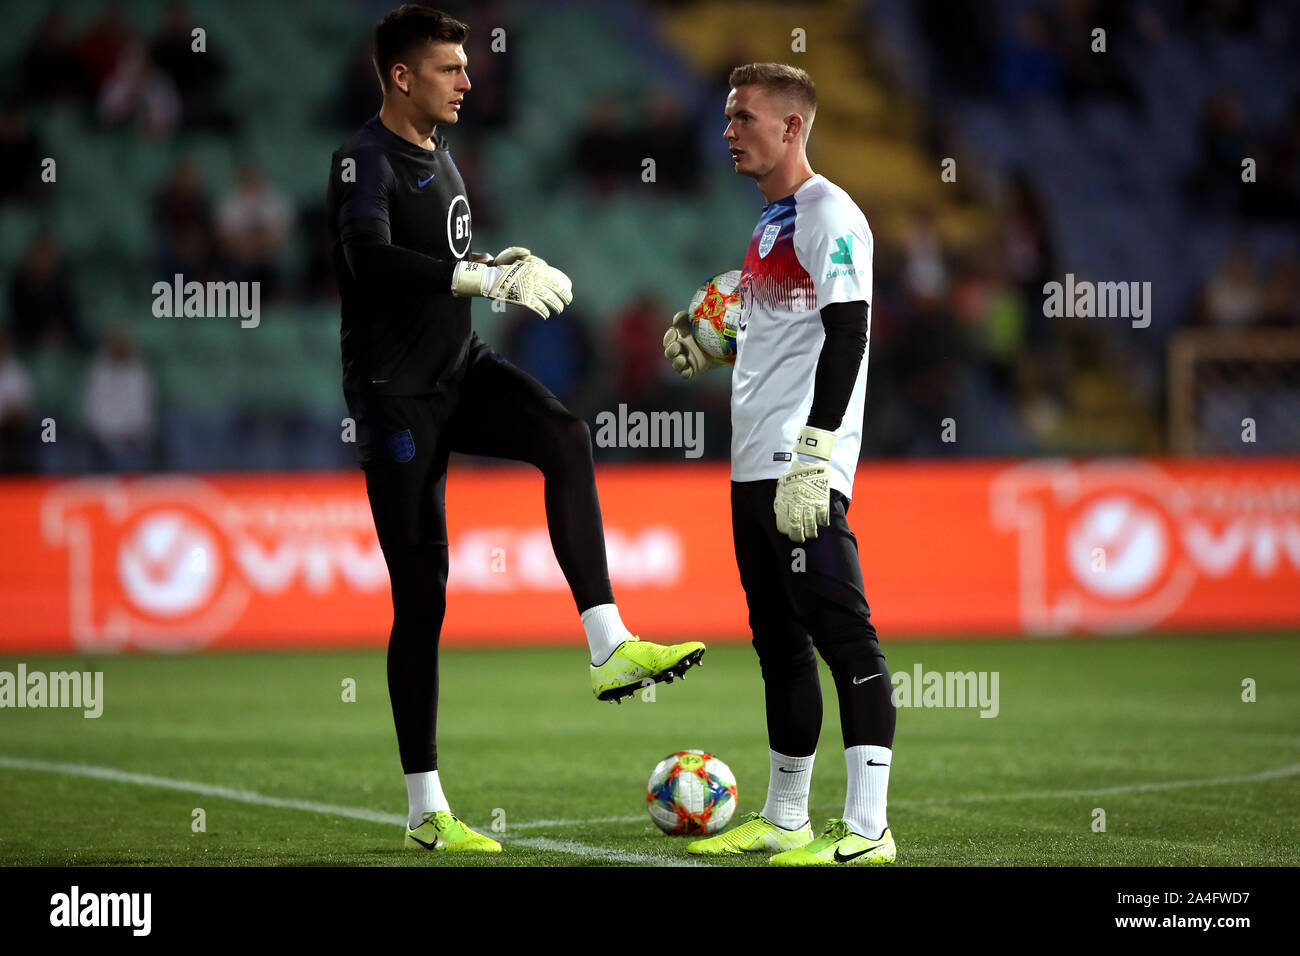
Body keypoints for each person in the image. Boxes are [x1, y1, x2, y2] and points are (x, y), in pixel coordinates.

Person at [327, 4, 705, 855]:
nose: (469, 78)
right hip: (395, 398)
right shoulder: (363, 160)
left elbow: (442, 272)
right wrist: (473, 276)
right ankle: (426, 806)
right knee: (422, 598)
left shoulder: (443, 156)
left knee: (567, 436)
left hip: (459, 372)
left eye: (467, 66)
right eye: (449, 68)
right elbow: (366, 261)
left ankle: (608, 642)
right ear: (400, 75)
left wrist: (500, 264)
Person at [663, 63, 896, 865]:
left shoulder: (829, 211)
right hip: (752, 466)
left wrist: (818, 451)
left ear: (793, 126)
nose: (728, 130)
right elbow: (783, 332)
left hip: (801, 463)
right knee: (779, 643)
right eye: (728, 116)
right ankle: (787, 816)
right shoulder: (772, 222)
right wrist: (714, 334)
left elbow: (850, 331)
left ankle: (869, 830)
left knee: (846, 636)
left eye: (744, 117)